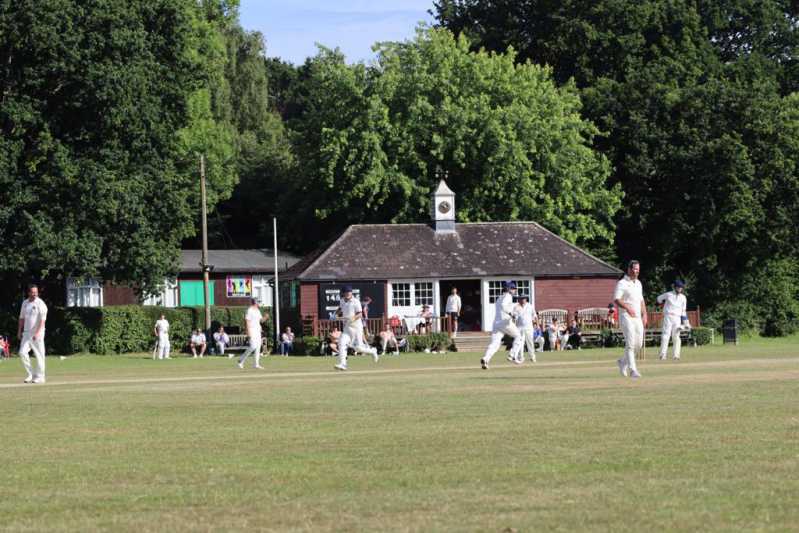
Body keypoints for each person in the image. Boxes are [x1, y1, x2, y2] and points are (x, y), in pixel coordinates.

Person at [614, 260, 647, 379]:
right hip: (626, 317)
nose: (636, 271)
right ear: (629, 269)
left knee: (638, 344)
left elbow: (641, 300)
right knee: (631, 342)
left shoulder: (638, 283)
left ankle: (622, 362)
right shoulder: (622, 283)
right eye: (634, 269)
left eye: (638, 269)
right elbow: (617, 299)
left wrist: (645, 314)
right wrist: (627, 308)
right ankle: (633, 370)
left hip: (638, 317)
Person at [334, 286, 379, 371]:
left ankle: (373, 351)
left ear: (351, 292)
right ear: (343, 293)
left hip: (356, 328)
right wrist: (334, 315)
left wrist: (353, 318)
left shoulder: (356, 301)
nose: (348, 293)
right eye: (346, 292)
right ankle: (343, 364)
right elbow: (340, 309)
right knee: (341, 343)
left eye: (349, 292)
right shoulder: (342, 301)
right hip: (347, 328)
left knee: (358, 348)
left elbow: (360, 314)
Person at [480, 281, 523, 369]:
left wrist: (514, 308)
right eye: (513, 288)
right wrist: (511, 313)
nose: (514, 290)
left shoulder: (500, 297)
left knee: (495, 344)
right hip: (505, 322)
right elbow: (504, 306)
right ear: (508, 289)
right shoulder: (508, 296)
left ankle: (485, 359)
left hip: (496, 324)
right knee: (519, 336)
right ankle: (512, 355)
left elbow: (504, 305)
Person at [18, 284, 48, 383]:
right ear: (29, 293)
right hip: (26, 333)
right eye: (33, 292)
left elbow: (43, 321)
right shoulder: (25, 303)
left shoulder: (41, 303)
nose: (35, 294)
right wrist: (19, 331)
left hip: (38, 333)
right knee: (22, 352)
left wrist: (37, 333)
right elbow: (21, 318)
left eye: (36, 292)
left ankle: (40, 377)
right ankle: (31, 374)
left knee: (39, 355)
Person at [657, 279, 688, 361]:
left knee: (676, 337)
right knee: (666, 335)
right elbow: (658, 299)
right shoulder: (668, 294)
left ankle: (676, 355)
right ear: (675, 287)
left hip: (677, 318)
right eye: (678, 287)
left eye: (681, 288)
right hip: (668, 317)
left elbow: (683, 312)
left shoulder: (683, 298)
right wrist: (661, 304)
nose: (680, 289)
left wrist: (686, 323)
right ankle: (662, 355)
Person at [238, 299, 268, 369]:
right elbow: (247, 321)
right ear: (255, 303)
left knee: (258, 347)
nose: (260, 304)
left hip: (258, 330)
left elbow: (261, 321)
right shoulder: (249, 310)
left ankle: (256, 364)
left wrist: (265, 317)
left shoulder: (257, 310)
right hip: (252, 330)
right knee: (253, 346)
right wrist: (248, 332)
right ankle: (241, 360)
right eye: (258, 302)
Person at [514, 295, 538, 363]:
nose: (522, 300)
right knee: (520, 343)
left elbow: (535, 316)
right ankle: (521, 357)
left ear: (526, 299)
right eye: (521, 299)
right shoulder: (516, 307)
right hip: (519, 327)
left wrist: (537, 325)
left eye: (523, 299)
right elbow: (514, 317)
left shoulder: (530, 306)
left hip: (529, 327)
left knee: (530, 342)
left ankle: (532, 357)